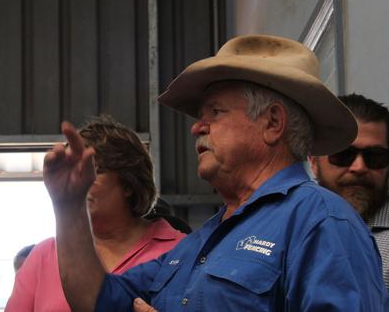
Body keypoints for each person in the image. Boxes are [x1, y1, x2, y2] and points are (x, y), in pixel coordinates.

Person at [43, 35, 388, 311]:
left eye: (215, 112)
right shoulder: (202, 241)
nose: (197, 128)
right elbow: (95, 300)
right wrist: (70, 207)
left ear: (272, 123)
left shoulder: (322, 222)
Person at [6, 116, 186, 311]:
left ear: (128, 183)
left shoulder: (182, 251)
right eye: (72, 169)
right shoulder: (43, 256)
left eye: (94, 169)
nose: (79, 180)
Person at [309, 93, 389, 289]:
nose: (359, 167)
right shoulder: (290, 227)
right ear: (313, 162)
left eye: (375, 157)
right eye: (343, 154)